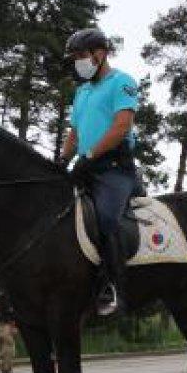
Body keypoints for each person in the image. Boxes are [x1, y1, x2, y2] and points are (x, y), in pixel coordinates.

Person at [59, 27, 145, 318]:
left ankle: (115, 287)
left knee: (106, 219)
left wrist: (92, 154)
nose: (78, 62)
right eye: (74, 58)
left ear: (100, 53)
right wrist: (60, 161)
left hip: (114, 170)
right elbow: (74, 133)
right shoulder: (81, 91)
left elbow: (121, 127)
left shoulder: (122, 83)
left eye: (82, 55)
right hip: (85, 168)